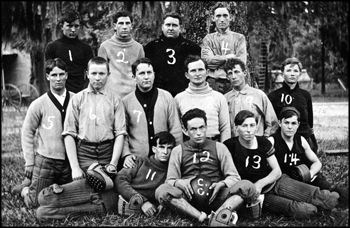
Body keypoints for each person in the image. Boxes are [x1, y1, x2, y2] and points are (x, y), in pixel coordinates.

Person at [36, 56, 126, 220]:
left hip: (107, 155)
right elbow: (69, 134)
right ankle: (100, 201)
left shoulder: (115, 100)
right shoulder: (78, 99)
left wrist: (113, 163)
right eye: (94, 73)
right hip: (84, 155)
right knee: (43, 197)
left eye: (102, 73)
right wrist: (76, 167)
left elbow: (120, 133)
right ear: (87, 74)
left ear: (108, 74)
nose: (97, 78)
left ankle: (96, 200)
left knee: (44, 208)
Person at [224, 110, 340, 219]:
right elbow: (228, 174)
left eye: (252, 125)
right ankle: (317, 209)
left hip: (276, 181)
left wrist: (260, 183)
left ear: (256, 126)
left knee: (325, 197)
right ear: (236, 127)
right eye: (244, 126)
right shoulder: (229, 146)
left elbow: (277, 171)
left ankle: (336, 203)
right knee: (305, 210)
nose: (249, 130)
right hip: (260, 194)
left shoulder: (263, 142)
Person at [155, 108, 259, 226]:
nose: (199, 133)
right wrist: (180, 183)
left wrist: (222, 184)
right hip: (189, 199)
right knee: (161, 191)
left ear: (206, 127)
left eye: (202, 127)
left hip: (216, 197)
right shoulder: (177, 151)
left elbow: (234, 177)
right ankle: (200, 216)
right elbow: (170, 180)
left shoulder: (219, 147)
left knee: (247, 186)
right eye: (193, 129)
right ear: (185, 130)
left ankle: (219, 215)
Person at [11, 58, 74, 208]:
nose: (57, 79)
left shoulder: (76, 99)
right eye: (53, 75)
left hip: (70, 162)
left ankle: (32, 183)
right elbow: (27, 132)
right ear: (47, 77)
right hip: (47, 161)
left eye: (61, 75)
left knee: (66, 199)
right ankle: (25, 189)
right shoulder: (38, 104)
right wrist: (30, 162)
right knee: (35, 202)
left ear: (66, 75)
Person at [270, 106, 348, 208]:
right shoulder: (272, 141)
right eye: (286, 123)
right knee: (310, 198)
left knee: (329, 189)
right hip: (284, 182)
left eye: (293, 123)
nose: (290, 127)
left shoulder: (301, 140)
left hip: (301, 176)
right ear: (280, 123)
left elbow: (317, 162)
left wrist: (309, 174)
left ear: (298, 125)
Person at [121, 57, 182, 170]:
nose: (146, 77)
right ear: (134, 77)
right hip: (137, 161)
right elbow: (123, 133)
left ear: (154, 74)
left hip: (164, 160)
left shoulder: (166, 97)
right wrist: (126, 154)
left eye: (149, 72)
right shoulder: (126, 102)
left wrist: (176, 155)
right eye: (141, 73)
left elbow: (175, 129)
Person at [115, 131, 176, 217]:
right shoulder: (140, 161)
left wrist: (163, 204)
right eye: (161, 147)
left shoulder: (171, 170)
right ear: (154, 149)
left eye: (169, 148)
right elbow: (119, 179)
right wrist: (142, 201)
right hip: (128, 202)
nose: (165, 152)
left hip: (149, 210)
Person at [174, 55, 231, 143]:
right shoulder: (179, 99)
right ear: (187, 75)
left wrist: (223, 149)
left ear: (207, 72)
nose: (197, 74)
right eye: (193, 71)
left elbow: (225, 128)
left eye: (200, 70)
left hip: (214, 146)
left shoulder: (219, 97)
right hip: (189, 148)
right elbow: (176, 129)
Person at [144, 11, 201, 97]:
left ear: (180, 28)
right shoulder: (151, 47)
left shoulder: (192, 48)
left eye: (174, 25)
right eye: (168, 25)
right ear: (162, 27)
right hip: (158, 94)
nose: (171, 28)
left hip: (185, 93)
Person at [268, 57, 318, 153]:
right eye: (288, 70)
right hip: (282, 141)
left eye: (295, 71)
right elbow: (272, 122)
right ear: (282, 73)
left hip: (303, 138)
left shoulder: (305, 95)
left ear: (299, 73)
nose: (292, 73)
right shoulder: (273, 96)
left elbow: (310, 122)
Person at [224, 57, 278, 137]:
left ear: (245, 73)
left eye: (237, 72)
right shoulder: (225, 98)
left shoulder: (258, 95)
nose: (234, 76)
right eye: (230, 73)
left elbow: (272, 123)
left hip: (256, 144)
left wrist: (265, 140)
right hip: (234, 145)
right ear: (227, 76)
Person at [201, 2, 247, 94]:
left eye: (225, 15)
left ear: (231, 17)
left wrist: (217, 60)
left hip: (232, 81)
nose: (222, 19)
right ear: (213, 18)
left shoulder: (239, 38)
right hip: (213, 81)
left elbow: (241, 62)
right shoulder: (208, 39)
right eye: (218, 16)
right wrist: (228, 57)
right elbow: (207, 62)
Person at [98, 10, 145, 98]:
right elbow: (101, 73)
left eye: (127, 23)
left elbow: (141, 72)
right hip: (112, 95)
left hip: (133, 95)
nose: (124, 27)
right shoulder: (105, 46)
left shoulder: (138, 47)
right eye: (121, 23)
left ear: (131, 26)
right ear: (115, 26)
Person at [45, 10, 94, 93]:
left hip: (81, 92)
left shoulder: (86, 48)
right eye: (69, 26)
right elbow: (48, 73)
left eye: (76, 26)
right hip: (60, 92)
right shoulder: (52, 47)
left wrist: (84, 92)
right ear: (61, 26)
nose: (73, 30)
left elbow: (91, 72)